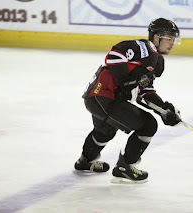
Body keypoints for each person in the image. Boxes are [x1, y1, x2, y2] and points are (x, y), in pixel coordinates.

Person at [74, 18, 182, 183]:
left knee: (105, 131)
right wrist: (124, 78)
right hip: (104, 97)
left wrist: (164, 110)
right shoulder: (145, 48)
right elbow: (115, 53)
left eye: (174, 39)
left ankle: (85, 162)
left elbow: (145, 90)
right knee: (148, 125)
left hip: (97, 97)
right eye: (169, 38)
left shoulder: (156, 61)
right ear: (155, 37)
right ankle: (125, 167)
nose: (172, 43)